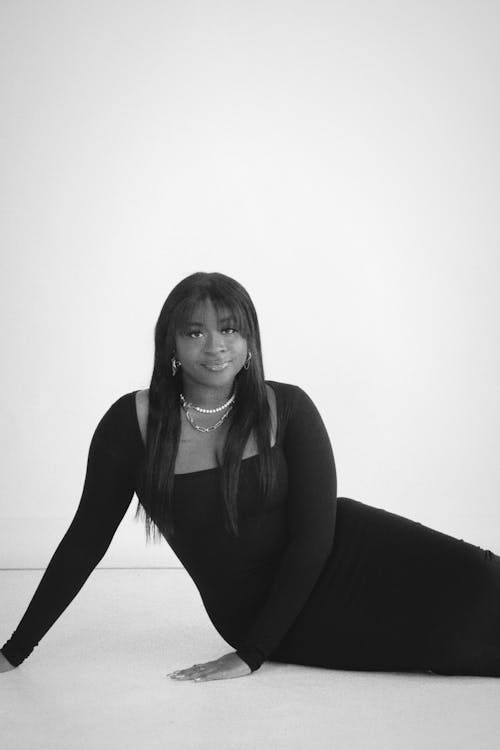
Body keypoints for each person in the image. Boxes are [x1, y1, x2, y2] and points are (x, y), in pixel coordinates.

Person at [2, 271, 500, 680]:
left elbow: (313, 540)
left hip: (349, 549)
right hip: (271, 612)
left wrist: (252, 654)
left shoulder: (288, 407)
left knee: (483, 579)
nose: (216, 346)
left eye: (230, 329)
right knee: (460, 649)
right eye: (195, 331)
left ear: (249, 340)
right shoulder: (132, 426)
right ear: (171, 344)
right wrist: (13, 651)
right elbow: (85, 541)